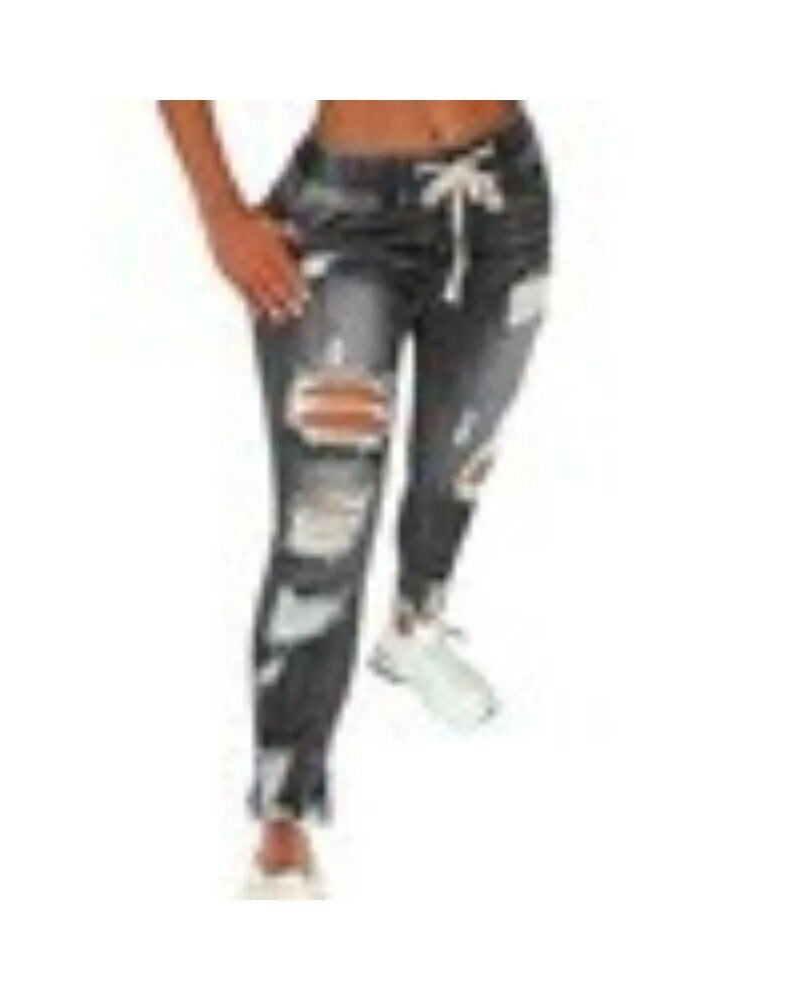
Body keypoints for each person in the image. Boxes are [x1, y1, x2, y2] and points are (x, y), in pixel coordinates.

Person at [159, 101, 551, 898]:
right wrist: (221, 213)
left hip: (502, 192)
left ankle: (413, 628)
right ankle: (284, 817)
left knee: (458, 457)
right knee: (325, 525)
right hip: (347, 219)